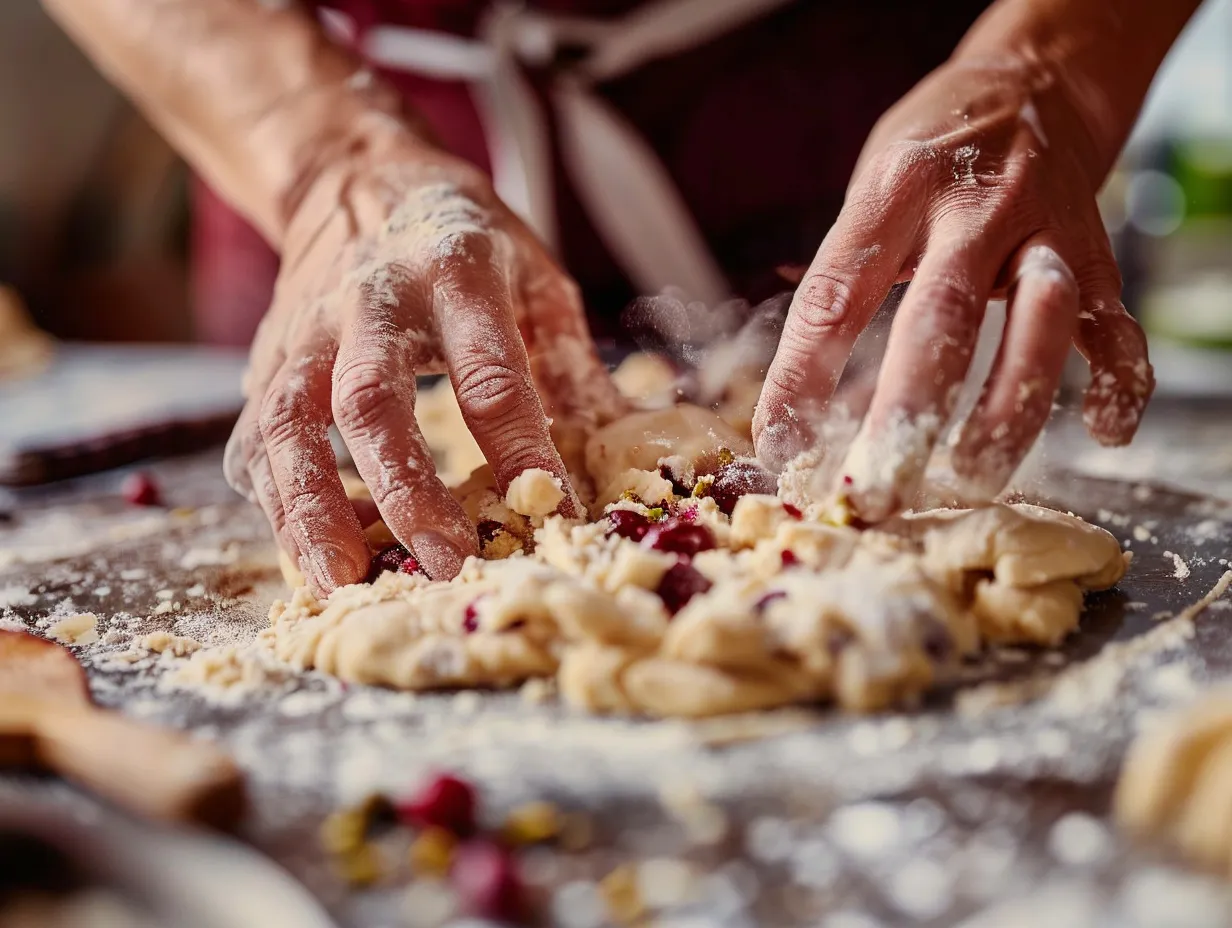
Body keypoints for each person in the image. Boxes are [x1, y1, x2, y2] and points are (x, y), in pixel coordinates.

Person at [42, 0, 1195, 593]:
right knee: (368, 449)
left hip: (873, 106)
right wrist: (318, 160)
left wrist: (1047, 71)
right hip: (325, 117)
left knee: (921, 446)